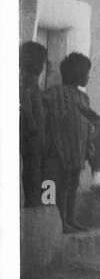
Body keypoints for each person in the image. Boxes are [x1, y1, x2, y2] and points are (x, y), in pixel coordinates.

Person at [41, 51, 93, 234]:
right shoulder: (52, 94)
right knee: (58, 188)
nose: (88, 77)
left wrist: (88, 148)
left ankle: (70, 219)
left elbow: (88, 126)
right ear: (79, 75)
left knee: (71, 187)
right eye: (87, 73)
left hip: (76, 152)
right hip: (57, 151)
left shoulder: (83, 98)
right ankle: (60, 222)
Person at [20, 41, 47, 208]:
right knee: (33, 171)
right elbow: (27, 104)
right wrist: (32, 125)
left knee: (32, 171)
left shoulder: (29, 80)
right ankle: (33, 202)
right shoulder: (28, 82)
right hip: (33, 137)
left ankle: (33, 200)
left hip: (34, 136)